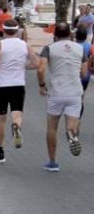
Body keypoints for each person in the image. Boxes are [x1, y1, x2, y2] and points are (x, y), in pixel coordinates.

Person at [0, 19, 40, 163]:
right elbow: (36, 63)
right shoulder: (24, 45)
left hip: (1, 85)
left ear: (3, 30)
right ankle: (16, 127)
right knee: (17, 114)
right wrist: (23, 66)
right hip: (18, 85)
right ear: (17, 31)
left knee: (0, 120)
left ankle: (0, 149)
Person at [36, 22, 84, 171]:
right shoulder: (80, 48)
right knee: (71, 124)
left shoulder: (48, 48)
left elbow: (41, 69)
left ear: (54, 34)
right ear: (70, 34)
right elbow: (84, 72)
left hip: (57, 93)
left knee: (52, 128)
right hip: (75, 92)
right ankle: (71, 135)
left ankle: (52, 162)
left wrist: (42, 85)